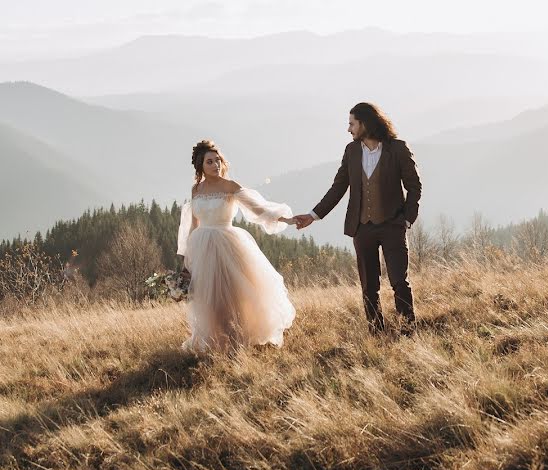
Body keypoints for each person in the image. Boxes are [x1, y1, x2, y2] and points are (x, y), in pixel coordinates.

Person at [291, 102, 422, 334]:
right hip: (362, 228)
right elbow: (338, 187)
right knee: (369, 287)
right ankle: (376, 332)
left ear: (365, 123)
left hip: (393, 226)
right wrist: (313, 215)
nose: (349, 129)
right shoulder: (351, 152)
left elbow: (414, 186)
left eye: (352, 123)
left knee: (400, 282)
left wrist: (407, 219)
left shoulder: (398, 149)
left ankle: (408, 330)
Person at [176, 140, 296, 352]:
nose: (216, 165)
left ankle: (235, 342)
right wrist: (187, 260)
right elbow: (193, 226)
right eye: (210, 162)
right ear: (201, 167)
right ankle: (217, 342)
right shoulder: (197, 190)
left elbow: (258, 209)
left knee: (232, 298)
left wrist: (285, 219)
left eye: (218, 160)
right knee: (209, 301)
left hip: (228, 245)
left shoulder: (230, 187)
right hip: (202, 248)